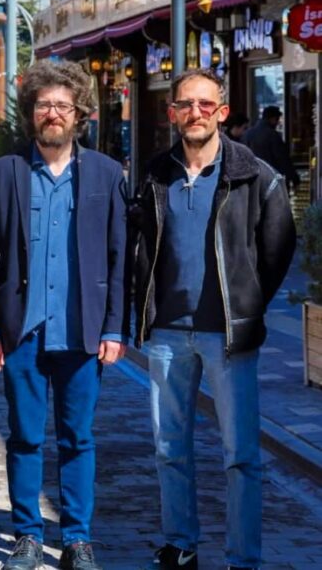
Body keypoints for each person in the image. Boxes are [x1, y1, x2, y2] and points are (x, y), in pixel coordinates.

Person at [131, 69, 295, 570]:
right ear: (172, 112)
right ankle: (181, 543)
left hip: (228, 336)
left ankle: (242, 557)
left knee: (240, 454)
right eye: (187, 104)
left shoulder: (255, 175)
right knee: (168, 448)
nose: (196, 113)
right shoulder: (156, 175)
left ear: (222, 112)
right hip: (166, 334)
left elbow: (277, 249)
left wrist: (246, 304)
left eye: (206, 104)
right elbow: (140, 247)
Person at [0, 60, 127, 570]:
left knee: (78, 437)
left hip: (82, 331)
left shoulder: (105, 173)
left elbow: (117, 256)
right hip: (22, 331)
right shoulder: (5, 172)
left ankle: (78, 539)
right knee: (25, 436)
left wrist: (113, 326)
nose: (52, 113)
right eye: (44, 105)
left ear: (78, 114)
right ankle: (28, 536)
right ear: (31, 113)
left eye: (62, 105)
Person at [244, 105, 299, 188]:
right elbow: (282, 158)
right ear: (272, 119)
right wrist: (293, 177)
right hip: (270, 179)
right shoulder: (273, 135)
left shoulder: (247, 134)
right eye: (277, 119)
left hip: (252, 180)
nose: (277, 123)